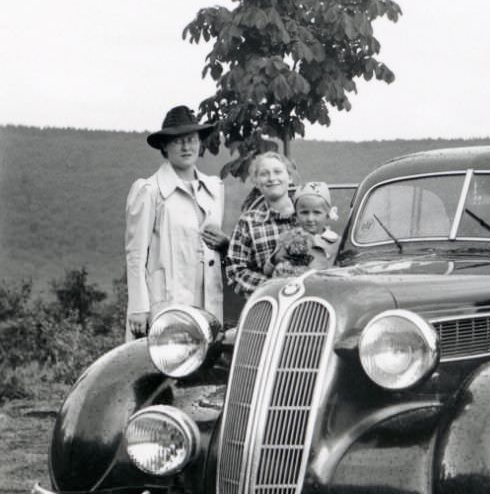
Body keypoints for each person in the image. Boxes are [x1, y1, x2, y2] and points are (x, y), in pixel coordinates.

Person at [125, 106, 227, 340]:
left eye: (191, 139)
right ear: (164, 146)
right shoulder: (150, 190)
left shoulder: (214, 188)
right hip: (166, 299)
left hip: (207, 298)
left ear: (200, 143)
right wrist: (138, 307)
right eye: (178, 141)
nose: (186, 147)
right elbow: (135, 254)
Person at [225, 152, 298, 296]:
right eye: (264, 174)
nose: (272, 178)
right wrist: (271, 287)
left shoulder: (306, 215)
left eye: (278, 172)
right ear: (257, 183)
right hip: (267, 306)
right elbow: (235, 270)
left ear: (289, 177)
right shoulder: (248, 222)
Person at [272, 182, 341, 276]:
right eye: (304, 213)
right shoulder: (288, 238)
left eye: (317, 212)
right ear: (295, 214)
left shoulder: (336, 242)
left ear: (328, 214)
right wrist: (279, 255)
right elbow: (269, 269)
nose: (310, 219)